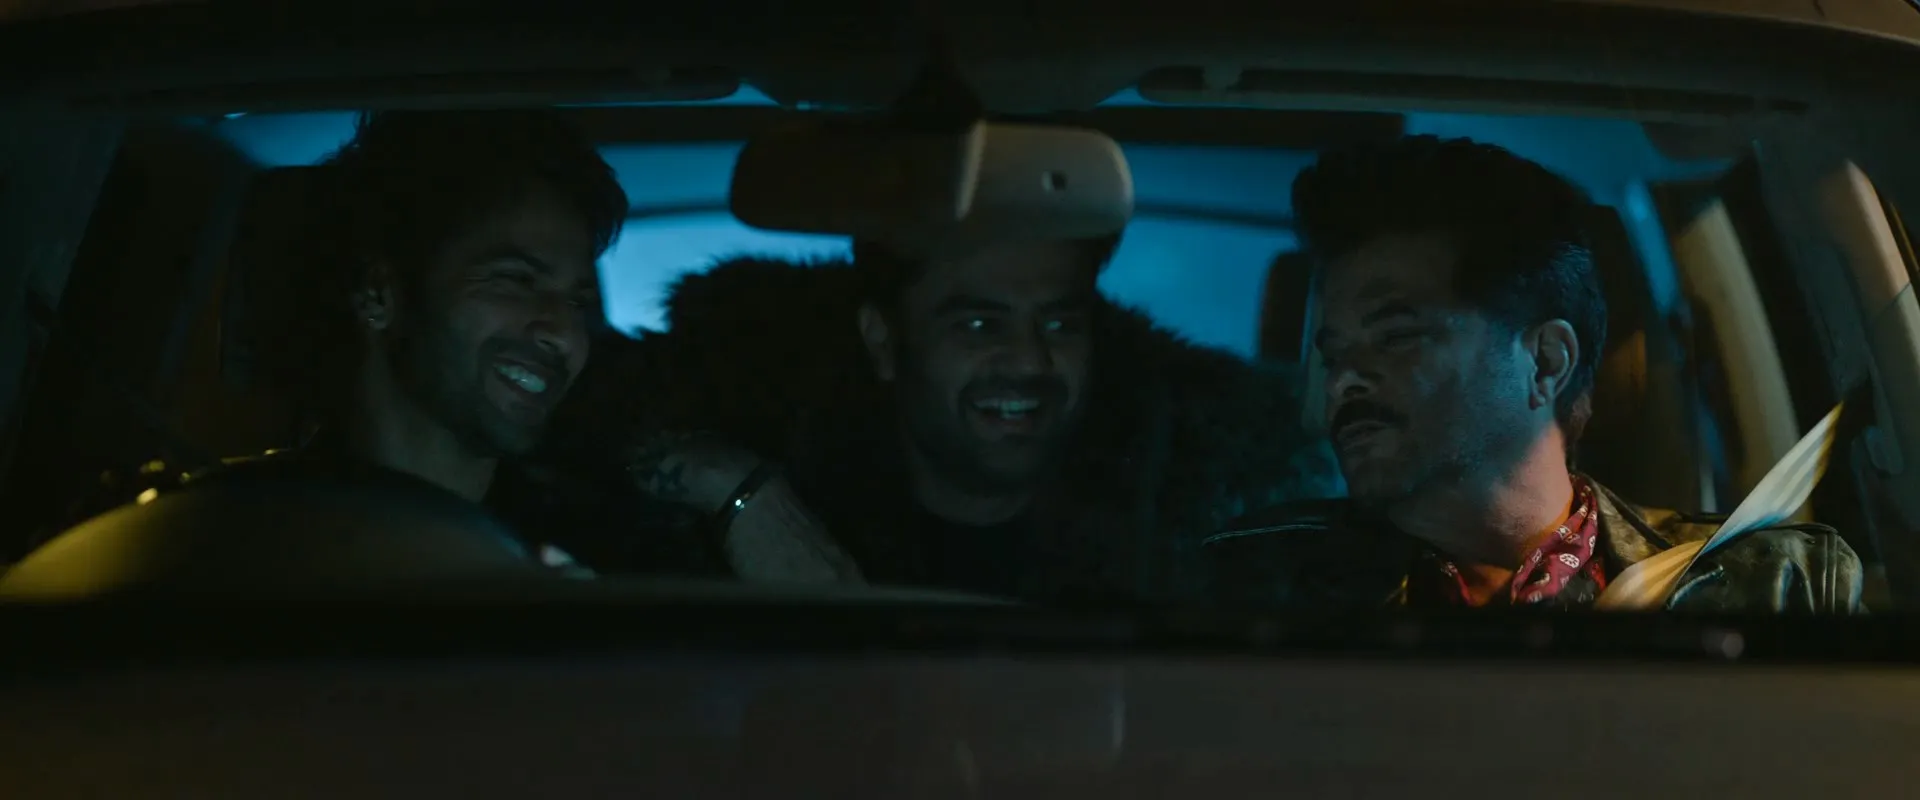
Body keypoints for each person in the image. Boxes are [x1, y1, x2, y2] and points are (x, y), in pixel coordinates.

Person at [77, 109, 857, 583]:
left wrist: (738, 487)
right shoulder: (228, 538)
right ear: (380, 294)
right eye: (515, 280)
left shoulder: (607, 543)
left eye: (578, 301)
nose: (563, 330)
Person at [1209, 135, 1865, 612]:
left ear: (1547, 361)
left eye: (1396, 336)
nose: (1343, 382)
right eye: (1335, 354)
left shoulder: (1779, 584)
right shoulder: (1245, 582)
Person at [548, 232, 1342, 603]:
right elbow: (554, 418)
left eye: (1060, 323)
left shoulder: (1223, 507)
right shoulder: (740, 419)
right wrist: (742, 493)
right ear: (883, 342)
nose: (1029, 360)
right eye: (979, 324)